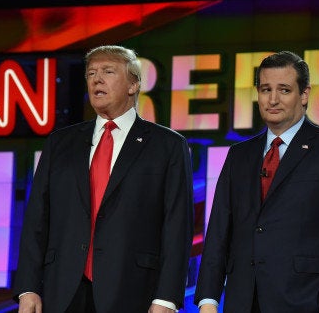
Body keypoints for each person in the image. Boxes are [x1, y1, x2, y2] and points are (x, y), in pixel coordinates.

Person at [13, 45, 194, 313]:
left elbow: (177, 226)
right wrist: (28, 288)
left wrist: (166, 298)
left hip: (133, 291)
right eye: (91, 73)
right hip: (62, 291)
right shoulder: (60, 144)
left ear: (133, 85)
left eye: (108, 71)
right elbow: (37, 219)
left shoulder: (167, 146)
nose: (97, 79)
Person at [194, 51, 319, 313]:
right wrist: (208, 298)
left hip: (309, 300)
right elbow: (220, 230)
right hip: (243, 300)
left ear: (304, 95)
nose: (273, 99)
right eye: (266, 89)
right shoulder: (239, 156)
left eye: (284, 90)